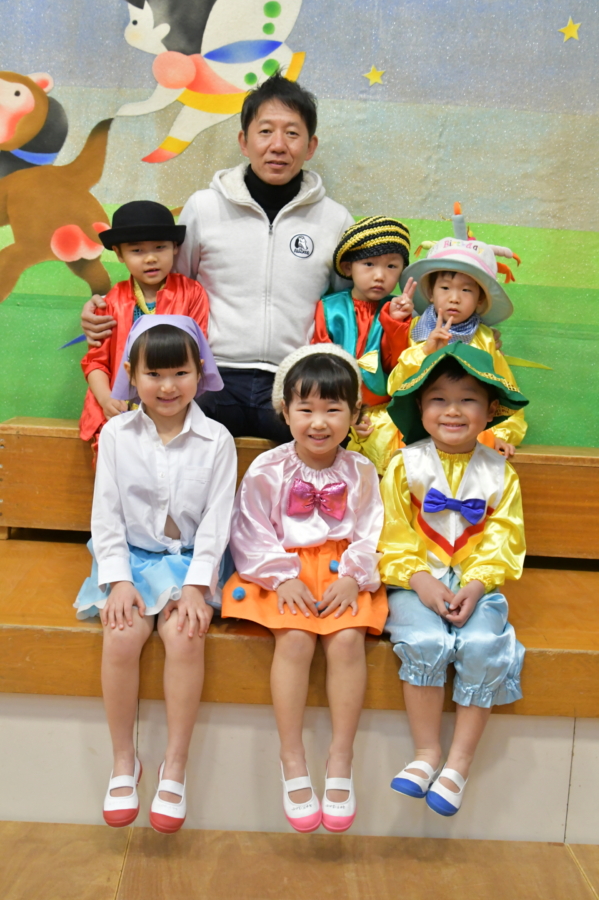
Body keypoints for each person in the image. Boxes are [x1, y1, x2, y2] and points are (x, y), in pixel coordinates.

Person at [80, 73, 354, 442]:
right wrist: (102, 312)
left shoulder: (335, 220)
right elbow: (165, 287)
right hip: (211, 376)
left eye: (292, 133)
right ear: (243, 141)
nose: (278, 145)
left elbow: (349, 303)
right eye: (265, 131)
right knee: (164, 440)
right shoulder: (204, 208)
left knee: (327, 445)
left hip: (295, 379)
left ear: (311, 145)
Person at [75, 316, 236, 833]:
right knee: (121, 634)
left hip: (191, 563)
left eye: (180, 373)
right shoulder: (116, 434)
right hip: (130, 559)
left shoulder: (217, 440)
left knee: (185, 635)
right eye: (154, 374)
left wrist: (196, 585)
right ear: (131, 374)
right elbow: (105, 515)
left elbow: (217, 521)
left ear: (199, 372)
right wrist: (119, 579)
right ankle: (125, 761)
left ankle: (175, 766)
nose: (168, 386)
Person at [221, 345, 387, 833]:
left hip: (342, 571)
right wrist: (282, 575)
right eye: (306, 409)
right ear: (284, 410)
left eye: (333, 409)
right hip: (281, 568)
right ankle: (291, 757)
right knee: (294, 639)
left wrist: (353, 576)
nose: (319, 422)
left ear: (354, 413)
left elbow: (372, 530)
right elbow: (249, 528)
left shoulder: (360, 471)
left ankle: (340, 757)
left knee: (347, 639)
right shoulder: (268, 468)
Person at [379, 342, 529, 816]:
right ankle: (427, 753)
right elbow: (392, 533)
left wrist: (478, 584)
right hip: (414, 582)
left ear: (490, 410)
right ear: (420, 408)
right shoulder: (404, 466)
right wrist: (420, 579)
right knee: (425, 640)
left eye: (468, 400)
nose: (453, 410)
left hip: (476, 585)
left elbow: (503, 539)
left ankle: (459, 764)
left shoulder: (501, 474)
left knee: (483, 643)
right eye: (438, 399)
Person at [388, 214, 526, 459]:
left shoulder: (484, 338)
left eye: (466, 290)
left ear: (480, 299)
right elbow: (394, 386)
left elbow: (505, 387)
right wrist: (425, 351)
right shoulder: (413, 329)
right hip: (418, 426)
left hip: (465, 430)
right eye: (445, 288)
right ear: (430, 293)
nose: (454, 298)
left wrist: (502, 433)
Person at [79, 201, 209, 458]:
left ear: (175, 247)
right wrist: (106, 399)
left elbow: (197, 354)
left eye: (160, 247)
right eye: (137, 250)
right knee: (121, 469)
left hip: (174, 404)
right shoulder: (109, 303)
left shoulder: (192, 294)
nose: (150, 258)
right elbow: (95, 362)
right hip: (121, 410)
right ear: (119, 254)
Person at [312, 216, 415, 474]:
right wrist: (347, 414)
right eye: (369, 264)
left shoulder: (398, 311)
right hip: (336, 407)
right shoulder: (330, 308)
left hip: (383, 412)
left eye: (392, 266)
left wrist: (396, 323)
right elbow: (320, 365)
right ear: (348, 267)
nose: (380, 275)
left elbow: (398, 366)